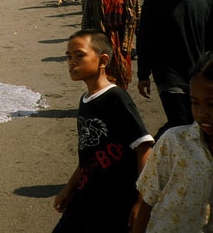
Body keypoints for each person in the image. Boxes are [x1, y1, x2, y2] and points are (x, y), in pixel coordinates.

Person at [53, 30, 153, 232]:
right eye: (68, 56)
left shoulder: (117, 98)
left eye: (79, 55)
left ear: (103, 60)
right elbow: (88, 155)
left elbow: (143, 147)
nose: (71, 62)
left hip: (115, 203)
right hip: (84, 198)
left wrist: (142, 203)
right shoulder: (85, 100)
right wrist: (69, 188)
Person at [137, 0, 213, 139]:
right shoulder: (156, 0)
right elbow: (145, 38)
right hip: (169, 76)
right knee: (182, 124)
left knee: (196, 126)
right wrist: (143, 74)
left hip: (198, 75)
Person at [132, 56, 213, 233]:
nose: (201, 113)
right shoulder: (174, 141)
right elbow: (148, 198)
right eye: (194, 102)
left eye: (211, 104)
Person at [81, 0, 140, 89]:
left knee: (122, 73)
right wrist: (85, 38)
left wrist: (137, 39)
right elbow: (87, 16)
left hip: (122, 37)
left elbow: (136, 17)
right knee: (100, 71)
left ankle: (118, 99)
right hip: (101, 36)